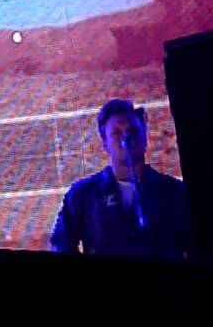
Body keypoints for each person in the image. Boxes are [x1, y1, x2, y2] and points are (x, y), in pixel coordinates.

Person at [50, 99, 193, 259]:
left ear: (144, 136)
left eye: (132, 130)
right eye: (116, 133)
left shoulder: (174, 192)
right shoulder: (82, 196)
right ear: (105, 143)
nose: (126, 138)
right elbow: (61, 246)